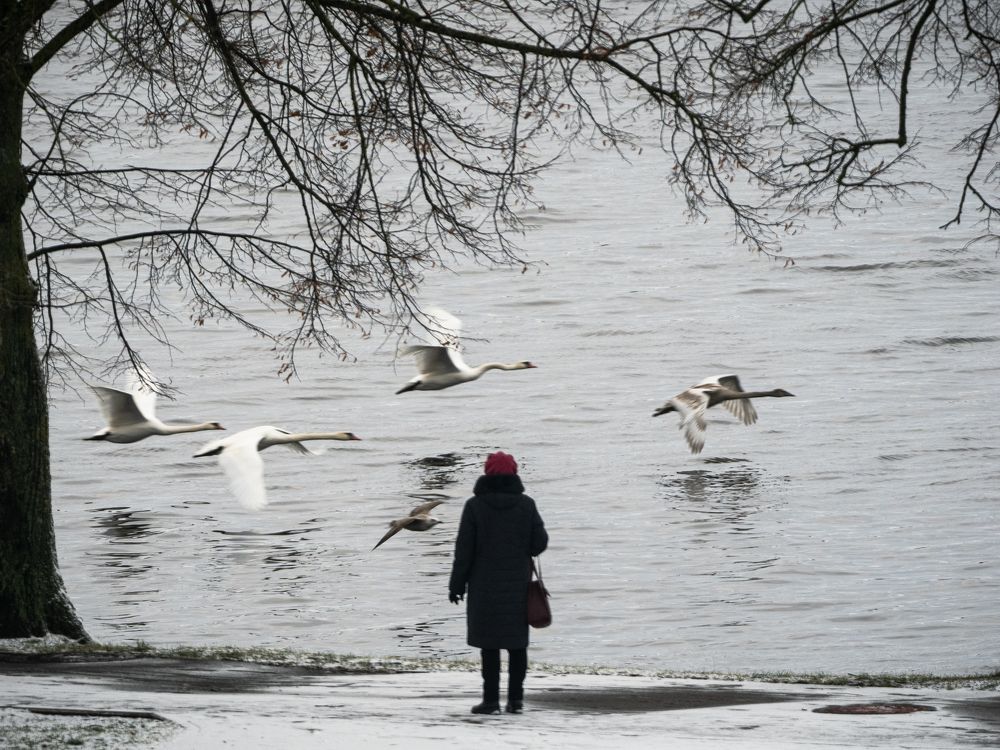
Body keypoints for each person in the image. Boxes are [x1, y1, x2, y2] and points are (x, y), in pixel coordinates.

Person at [449, 450, 549, 715]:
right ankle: (516, 701)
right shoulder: (526, 505)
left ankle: (490, 701)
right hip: (517, 586)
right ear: (514, 473)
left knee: (489, 646)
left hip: (483, 586)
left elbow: (464, 551)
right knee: (517, 646)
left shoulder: (474, 506)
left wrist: (456, 585)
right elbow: (539, 544)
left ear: (487, 473)